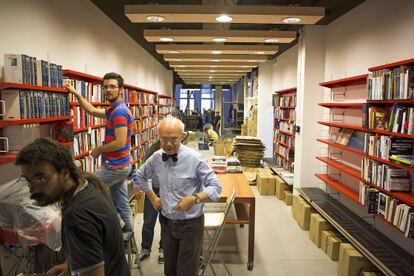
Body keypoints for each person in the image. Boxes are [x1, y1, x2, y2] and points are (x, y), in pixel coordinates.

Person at [15, 138, 130, 276]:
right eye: (28, 180)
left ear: (65, 173)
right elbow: (96, 244)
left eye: (41, 178)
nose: (32, 189)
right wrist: (73, 264)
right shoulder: (87, 183)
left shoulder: (77, 216)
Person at [134, 116, 222, 276]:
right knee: (170, 271)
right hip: (167, 224)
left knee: (186, 272)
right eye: (163, 139)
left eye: (173, 139)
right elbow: (139, 176)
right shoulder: (156, 157)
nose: (168, 144)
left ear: (182, 136)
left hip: (190, 225)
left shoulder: (194, 158)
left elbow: (216, 187)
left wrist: (195, 198)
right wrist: (153, 198)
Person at [64, 72, 134, 232]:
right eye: (105, 86)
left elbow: (120, 142)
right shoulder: (115, 109)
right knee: (121, 200)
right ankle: (128, 231)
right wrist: (77, 94)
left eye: (112, 86)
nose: (108, 89)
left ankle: (114, 225)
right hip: (121, 165)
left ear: (120, 89)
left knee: (87, 190)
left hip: (114, 167)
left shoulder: (119, 112)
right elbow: (92, 111)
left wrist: (98, 150)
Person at [138, 139, 164, 263]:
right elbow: (143, 172)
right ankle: (145, 248)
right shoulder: (152, 149)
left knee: (165, 222)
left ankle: (164, 249)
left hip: (167, 190)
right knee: (148, 221)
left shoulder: (176, 149)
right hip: (152, 190)